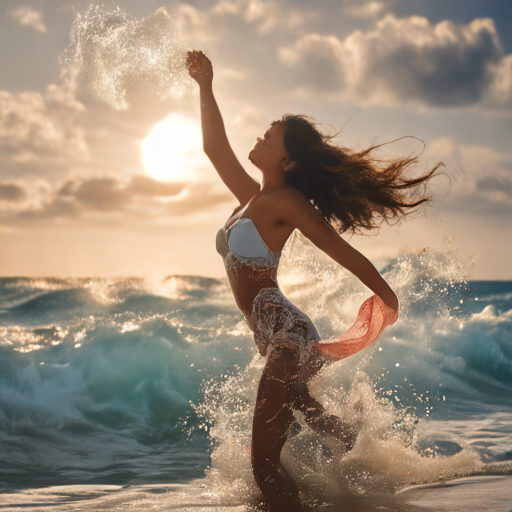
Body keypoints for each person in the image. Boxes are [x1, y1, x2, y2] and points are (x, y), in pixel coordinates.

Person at [186, 50, 441, 511]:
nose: (260, 137)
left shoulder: (287, 202)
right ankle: (368, 470)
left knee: (263, 463)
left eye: (271, 136)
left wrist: (385, 294)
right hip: (276, 337)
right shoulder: (252, 199)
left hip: (287, 337)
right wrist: (205, 86)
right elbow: (213, 149)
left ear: (287, 161)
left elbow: (340, 250)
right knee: (324, 429)